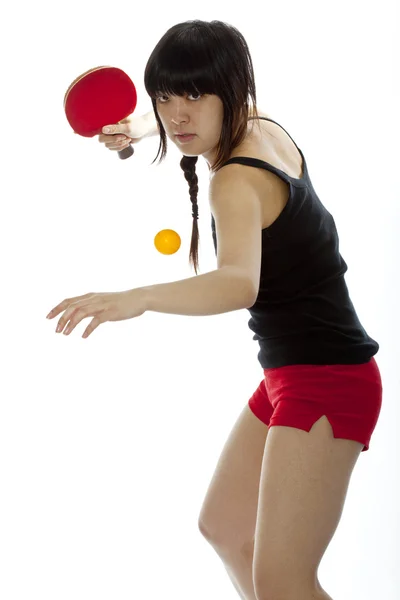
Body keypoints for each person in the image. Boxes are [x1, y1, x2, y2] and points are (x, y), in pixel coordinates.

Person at [62, 20, 383, 600]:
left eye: (194, 94)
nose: (177, 114)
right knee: (227, 528)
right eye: (164, 97)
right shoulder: (260, 127)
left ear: (230, 92)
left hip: (328, 380)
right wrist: (133, 127)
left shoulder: (233, 182)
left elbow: (239, 283)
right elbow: (187, 125)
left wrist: (137, 298)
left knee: (285, 579)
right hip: (292, 374)